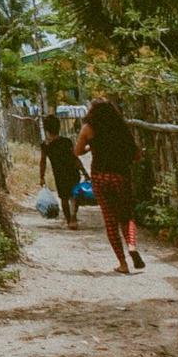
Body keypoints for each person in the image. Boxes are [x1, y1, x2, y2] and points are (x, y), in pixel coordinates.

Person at [76, 98, 144, 274]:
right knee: (126, 215)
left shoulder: (88, 129)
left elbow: (77, 151)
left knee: (110, 221)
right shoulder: (121, 129)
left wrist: (91, 148)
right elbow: (137, 155)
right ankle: (131, 245)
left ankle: (123, 263)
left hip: (100, 177)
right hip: (121, 176)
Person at [37, 113, 84, 229]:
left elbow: (43, 162)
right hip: (73, 171)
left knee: (64, 198)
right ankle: (73, 217)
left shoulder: (45, 145)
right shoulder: (66, 141)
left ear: (46, 129)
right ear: (59, 128)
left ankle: (69, 221)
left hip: (59, 174)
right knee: (74, 195)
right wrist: (84, 171)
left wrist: (41, 176)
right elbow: (75, 158)